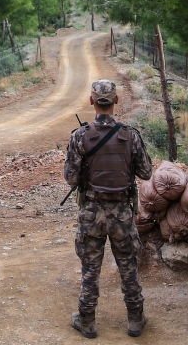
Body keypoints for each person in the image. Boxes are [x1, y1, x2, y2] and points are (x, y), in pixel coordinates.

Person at [64, 79, 153, 338]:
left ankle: (87, 320)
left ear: (91, 101)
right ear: (116, 100)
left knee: (90, 269)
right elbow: (147, 173)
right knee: (128, 266)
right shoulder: (130, 135)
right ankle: (135, 319)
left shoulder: (80, 136)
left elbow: (70, 177)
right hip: (122, 214)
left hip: (91, 212)